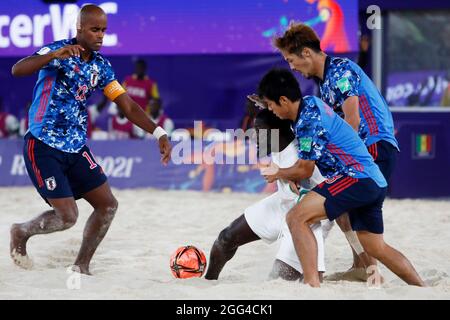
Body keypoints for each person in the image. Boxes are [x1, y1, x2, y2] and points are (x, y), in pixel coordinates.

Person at [9, 4, 172, 275]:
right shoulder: (58, 51)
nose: (100, 35)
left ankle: (81, 266)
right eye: (95, 29)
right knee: (67, 217)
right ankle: (21, 232)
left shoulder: (102, 67)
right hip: (43, 145)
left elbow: (128, 106)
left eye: (104, 30)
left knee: (108, 206)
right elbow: (18, 69)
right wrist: (52, 56)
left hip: (76, 147)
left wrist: (159, 132)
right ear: (79, 29)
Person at [258, 68, 424, 287]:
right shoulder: (310, 104)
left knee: (296, 218)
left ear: (283, 100)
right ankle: (422, 288)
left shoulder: (307, 120)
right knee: (376, 247)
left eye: (270, 105)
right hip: (374, 180)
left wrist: (278, 173)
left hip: (356, 177)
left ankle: (311, 286)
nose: (270, 110)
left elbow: (305, 170)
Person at [274, 23, 400, 280]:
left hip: (374, 145)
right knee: (348, 215)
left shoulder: (339, 71)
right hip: (366, 148)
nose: (292, 67)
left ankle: (371, 269)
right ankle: (364, 266)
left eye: (291, 60)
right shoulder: (326, 82)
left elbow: (352, 120)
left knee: (360, 223)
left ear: (306, 53)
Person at [205, 108, 326, 281]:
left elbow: (308, 179)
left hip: (303, 217)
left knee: (278, 280)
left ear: (275, 132)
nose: (254, 137)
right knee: (226, 238)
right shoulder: (281, 143)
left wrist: (282, 173)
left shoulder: (298, 158)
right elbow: (281, 114)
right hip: (282, 203)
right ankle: (208, 282)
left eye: (259, 132)